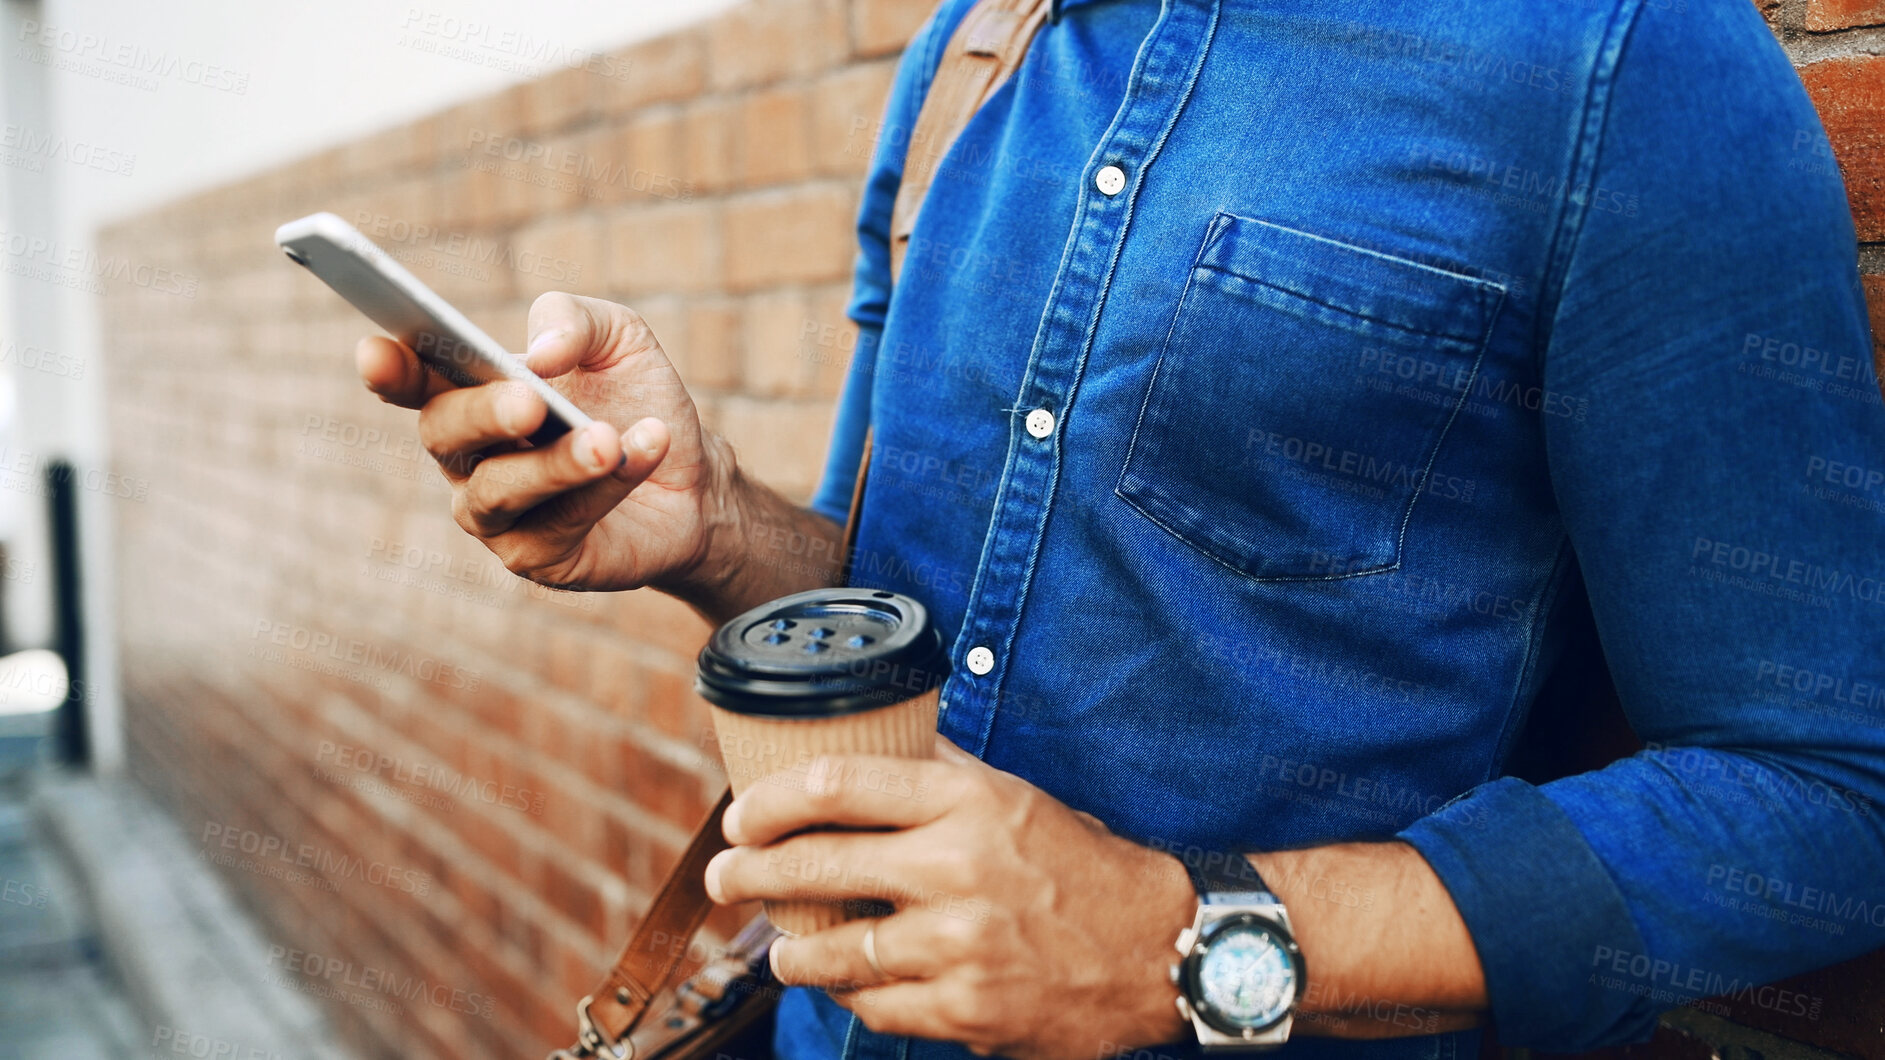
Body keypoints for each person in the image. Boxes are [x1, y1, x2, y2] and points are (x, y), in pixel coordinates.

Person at [355, 0, 1885, 1057]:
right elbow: (907, 608)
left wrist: (1175, 937)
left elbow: (1831, 792)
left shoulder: (1623, 57)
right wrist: (712, 532)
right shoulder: (976, 52)